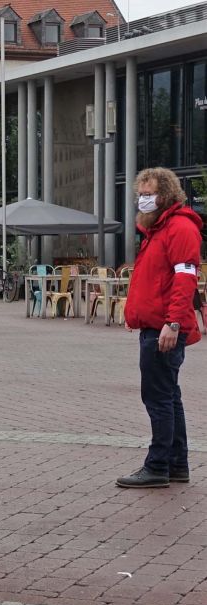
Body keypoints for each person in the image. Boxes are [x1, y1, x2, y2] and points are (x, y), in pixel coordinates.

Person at [119, 167, 203, 488]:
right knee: (169, 396)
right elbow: (156, 280)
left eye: (148, 194)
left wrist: (173, 322)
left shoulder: (178, 228)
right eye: (140, 195)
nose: (143, 200)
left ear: (165, 194)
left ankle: (157, 466)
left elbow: (185, 280)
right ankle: (176, 463)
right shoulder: (159, 230)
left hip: (164, 330)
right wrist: (135, 314)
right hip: (157, 326)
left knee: (158, 398)